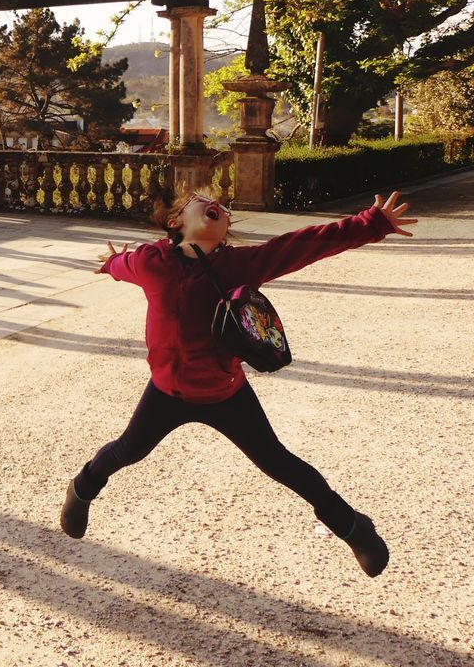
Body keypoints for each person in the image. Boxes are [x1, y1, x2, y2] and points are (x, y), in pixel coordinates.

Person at [60, 188, 419, 578]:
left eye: (226, 210)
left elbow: (302, 245)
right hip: (166, 392)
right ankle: (81, 490)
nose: (221, 207)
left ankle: (352, 526)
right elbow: (123, 264)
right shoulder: (152, 261)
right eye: (204, 200)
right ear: (176, 221)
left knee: (279, 463)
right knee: (128, 450)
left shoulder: (241, 264)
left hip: (225, 392)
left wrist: (372, 223)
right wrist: (112, 261)